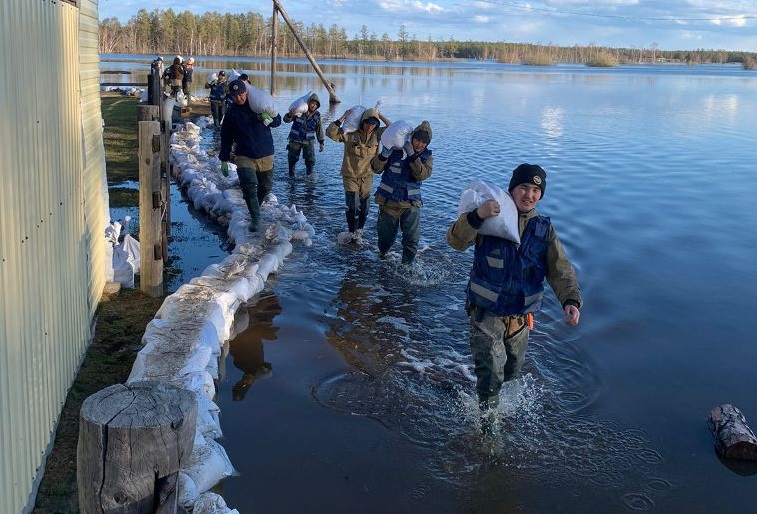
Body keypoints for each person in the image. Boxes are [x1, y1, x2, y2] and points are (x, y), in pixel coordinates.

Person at [446, 163, 582, 431]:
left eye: (535, 190)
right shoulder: (491, 219)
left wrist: (571, 301)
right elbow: (456, 241)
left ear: (541, 195)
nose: (528, 194)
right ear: (512, 190)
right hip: (486, 313)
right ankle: (488, 429)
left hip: (520, 317)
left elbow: (560, 269)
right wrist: (476, 216)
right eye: (523, 188)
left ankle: (493, 406)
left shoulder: (544, 230)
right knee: (491, 373)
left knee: (512, 370)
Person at [219, 79, 282, 232]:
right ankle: (255, 218)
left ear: (246, 92)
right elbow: (226, 136)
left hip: (265, 151)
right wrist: (224, 159)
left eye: (241, 94)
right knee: (248, 186)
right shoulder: (231, 114)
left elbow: (277, 121)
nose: (238, 98)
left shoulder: (258, 106)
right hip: (244, 154)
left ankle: (255, 207)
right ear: (231, 97)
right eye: (235, 96)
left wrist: (269, 119)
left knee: (266, 187)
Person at [370, 121, 433, 263]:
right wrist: (384, 156)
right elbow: (375, 169)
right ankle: (382, 258)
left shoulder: (427, 158)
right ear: (412, 138)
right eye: (417, 140)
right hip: (389, 203)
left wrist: (412, 156)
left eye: (424, 142)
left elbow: (422, 175)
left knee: (412, 239)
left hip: (411, 204)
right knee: (386, 239)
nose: (419, 144)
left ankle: (407, 267)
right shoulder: (395, 150)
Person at [326, 108, 391, 244]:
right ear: (362, 121)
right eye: (367, 123)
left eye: (373, 124)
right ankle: (351, 231)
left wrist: (380, 115)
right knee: (352, 205)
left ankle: (359, 232)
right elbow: (330, 133)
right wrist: (344, 116)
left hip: (367, 176)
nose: (370, 126)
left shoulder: (377, 134)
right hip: (350, 174)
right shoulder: (350, 133)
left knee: (364, 207)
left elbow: (393, 129)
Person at [283, 93, 325, 177]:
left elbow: (319, 129)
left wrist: (321, 142)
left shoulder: (317, 115)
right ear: (309, 102)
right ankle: (291, 176)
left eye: (316, 104)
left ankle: (309, 179)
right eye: (313, 103)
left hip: (308, 142)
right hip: (295, 139)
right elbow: (286, 120)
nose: (314, 106)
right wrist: (289, 115)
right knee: (292, 159)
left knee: (310, 161)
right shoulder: (300, 111)